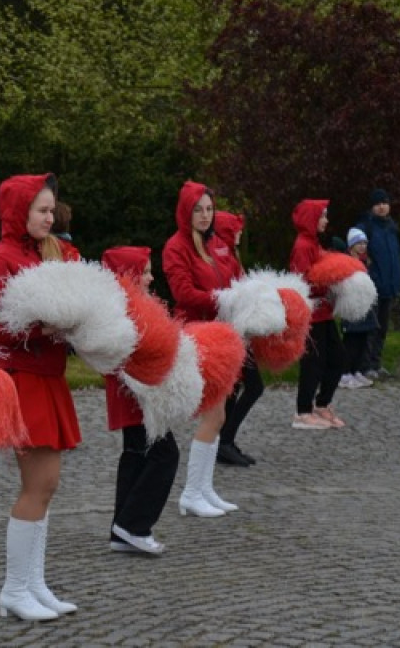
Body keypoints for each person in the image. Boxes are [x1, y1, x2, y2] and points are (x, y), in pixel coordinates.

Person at [0, 173, 81, 622]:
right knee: (38, 486)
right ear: (18, 211)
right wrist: (47, 327)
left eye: (51, 209)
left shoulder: (44, 252)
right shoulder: (0, 260)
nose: (49, 216)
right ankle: (14, 589)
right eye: (41, 209)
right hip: (23, 380)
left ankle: (33, 583)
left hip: (48, 376)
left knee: (47, 487)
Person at [162, 181, 239, 516]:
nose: (205, 215)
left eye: (209, 209)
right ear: (186, 211)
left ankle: (204, 488)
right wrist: (223, 298)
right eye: (198, 209)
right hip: (196, 335)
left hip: (220, 334)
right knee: (212, 414)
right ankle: (192, 493)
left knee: (219, 413)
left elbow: (233, 279)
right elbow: (182, 294)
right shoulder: (176, 247)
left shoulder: (217, 244)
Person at [101, 246, 180, 555]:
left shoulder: (125, 307)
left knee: (135, 454)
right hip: (139, 397)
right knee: (165, 455)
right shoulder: (127, 311)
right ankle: (134, 525)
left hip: (135, 396)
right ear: (130, 276)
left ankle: (122, 528)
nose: (151, 277)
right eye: (145, 271)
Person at [212, 210, 265, 466]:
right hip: (233, 332)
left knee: (239, 388)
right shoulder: (223, 258)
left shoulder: (230, 255)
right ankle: (224, 441)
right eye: (236, 229)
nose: (240, 233)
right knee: (249, 386)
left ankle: (225, 440)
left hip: (238, 331)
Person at [289, 199, 347, 429]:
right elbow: (302, 279)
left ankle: (322, 404)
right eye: (322, 216)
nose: (326, 220)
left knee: (338, 357)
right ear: (311, 219)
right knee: (313, 362)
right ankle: (303, 411)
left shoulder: (312, 243)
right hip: (313, 314)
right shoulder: (303, 246)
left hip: (324, 312)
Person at [358, 188, 400, 378]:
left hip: (388, 285)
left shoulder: (392, 228)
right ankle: (366, 365)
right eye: (378, 204)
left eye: (385, 203)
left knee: (383, 327)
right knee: (371, 328)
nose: (382, 207)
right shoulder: (366, 228)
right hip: (373, 286)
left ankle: (376, 363)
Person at [339, 228, 377, 389]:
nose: (362, 246)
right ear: (351, 245)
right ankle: (345, 372)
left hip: (364, 305)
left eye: (364, 243)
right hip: (351, 306)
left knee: (362, 339)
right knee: (351, 342)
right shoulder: (346, 262)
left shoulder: (364, 262)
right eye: (359, 243)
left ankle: (356, 370)